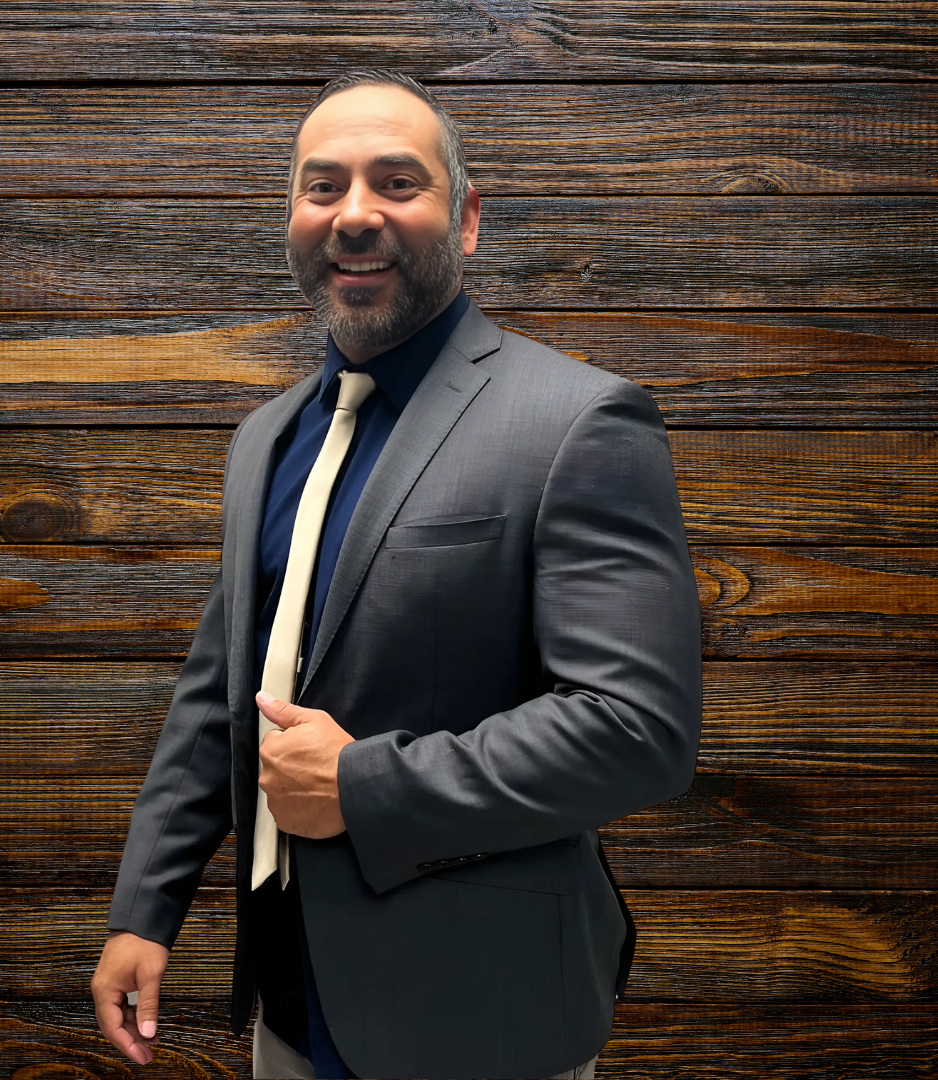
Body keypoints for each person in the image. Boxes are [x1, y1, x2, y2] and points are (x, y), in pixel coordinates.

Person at [90, 68, 703, 1080]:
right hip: (288, 1008)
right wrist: (144, 911)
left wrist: (364, 785)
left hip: (486, 1018)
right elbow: (221, 697)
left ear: (464, 219)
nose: (354, 213)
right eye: (322, 186)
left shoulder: (579, 421)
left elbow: (637, 730)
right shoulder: (266, 438)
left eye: (396, 182)